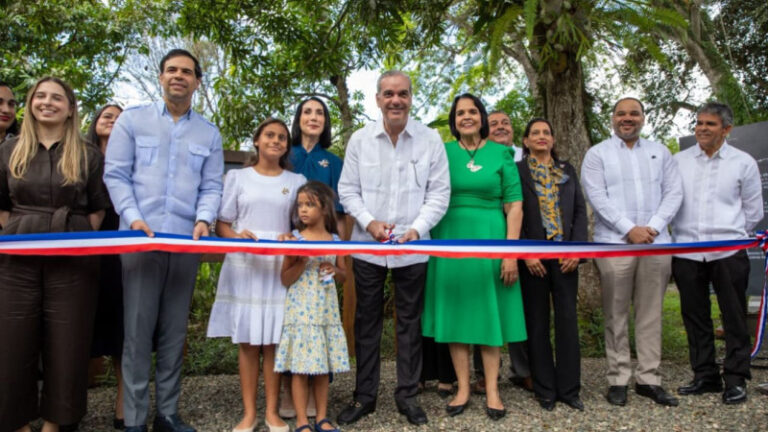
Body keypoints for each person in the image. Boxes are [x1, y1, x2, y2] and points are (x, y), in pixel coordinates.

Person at [104, 49, 224, 432]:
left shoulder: (209, 133)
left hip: (186, 242)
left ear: (197, 81)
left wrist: (204, 219)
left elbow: (212, 186)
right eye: (172, 69)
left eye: (187, 71)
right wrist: (132, 217)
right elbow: (116, 174)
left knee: (174, 333)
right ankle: (135, 419)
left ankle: (168, 414)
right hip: (139, 240)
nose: (178, 76)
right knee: (137, 333)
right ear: (160, 77)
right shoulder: (132, 121)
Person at [337, 70, 450, 426]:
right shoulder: (360, 140)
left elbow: (439, 193)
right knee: (366, 321)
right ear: (378, 99)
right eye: (388, 94)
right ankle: (364, 396)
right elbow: (347, 190)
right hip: (367, 246)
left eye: (402, 93)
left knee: (410, 322)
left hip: (412, 246)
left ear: (411, 98)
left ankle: (408, 396)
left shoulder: (430, 140)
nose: (395, 100)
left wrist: (418, 228)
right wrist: (369, 222)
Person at [0, 76, 109, 432]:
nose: (47, 102)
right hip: (17, 257)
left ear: (70, 108)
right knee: (13, 339)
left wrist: (74, 236)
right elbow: (2, 206)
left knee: (68, 340)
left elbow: (97, 209)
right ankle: (15, 422)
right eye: (40, 96)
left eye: (57, 98)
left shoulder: (88, 154)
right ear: (31, 103)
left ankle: (56, 422)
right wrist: (24, 229)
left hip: (73, 256)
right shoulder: (9, 150)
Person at [421, 93, 525, 421]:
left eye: (472, 111)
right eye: (460, 113)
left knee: (487, 314)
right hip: (449, 239)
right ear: (454, 120)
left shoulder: (502, 153)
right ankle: (463, 388)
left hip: (491, 239)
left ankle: (492, 389)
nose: (467, 117)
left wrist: (510, 253)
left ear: (481, 117)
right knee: (457, 314)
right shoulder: (442, 152)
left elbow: (514, 205)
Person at [581, 97, 683, 407]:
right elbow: (597, 196)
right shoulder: (598, 154)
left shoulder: (660, 152)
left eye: (634, 114)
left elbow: (674, 192)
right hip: (614, 244)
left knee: (650, 312)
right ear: (613, 118)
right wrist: (629, 229)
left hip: (656, 243)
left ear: (643, 118)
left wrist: (653, 227)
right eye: (621, 113)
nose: (628, 118)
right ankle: (618, 378)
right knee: (616, 312)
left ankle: (649, 378)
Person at [206, 118, 303, 432]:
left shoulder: (297, 180)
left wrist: (292, 237)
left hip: (279, 267)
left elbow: (302, 224)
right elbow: (222, 223)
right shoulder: (237, 177)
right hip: (245, 263)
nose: (276, 140)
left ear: (286, 146)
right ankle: (249, 414)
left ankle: (272, 413)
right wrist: (236, 237)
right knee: (248, 342)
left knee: (273, 340)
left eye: (282, 137)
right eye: (269, 135)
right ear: (257, 140)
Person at [671, 102, 763, 405]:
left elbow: (753, 210)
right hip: (686, 251)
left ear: (726, 129)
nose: (702, 129)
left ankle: (736, 379)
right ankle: (705, 375)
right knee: (694, 315)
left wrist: (729, 233)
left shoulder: (743, 163)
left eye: (710, 124)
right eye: (699, 123)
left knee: (734, 316)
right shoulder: (679, 161)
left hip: (728, 252)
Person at [517, 118, 587, 411]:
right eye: (535, 133)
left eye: (546, 132)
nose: (541, 136)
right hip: (533, 259)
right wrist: (526, 253)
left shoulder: (567, 170)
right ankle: (545, 389)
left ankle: (570, 390)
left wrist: (577, 251)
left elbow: (580, 211)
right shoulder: (517, 171)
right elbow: (512, 212)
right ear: (526, 141)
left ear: (553, 139)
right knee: (537, 323)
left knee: (567, 322)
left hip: (565, 257)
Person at [281, 96, 345, 419]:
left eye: (320, 113)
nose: (314, 117)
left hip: (323, 246)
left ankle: (318, 402)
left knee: (320, 327)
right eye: (307, 111)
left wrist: (340, 251)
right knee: (286, 328)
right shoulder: (286, 154)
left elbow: (341, 213)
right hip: (287, 245)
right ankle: (288, 392)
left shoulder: (332, 162)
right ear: (298, 119)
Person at [276, 181, 350, 432]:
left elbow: (345, 276)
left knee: (322, 368)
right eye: (300, 205)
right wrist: (301, 261)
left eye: (310, 204)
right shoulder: (295, 240)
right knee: (300, 368)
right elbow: (285, 278)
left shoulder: (336, 240)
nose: (303, 210)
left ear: (325, 208)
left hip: (325, 311)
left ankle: (321, 418)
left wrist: (334, 270)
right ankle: (301, 421)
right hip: (301, 312)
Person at [473, 109, 531, 395]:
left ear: (513, 129)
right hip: (490, 237)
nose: (500, 127)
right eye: (493, 123)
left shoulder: (526, 158)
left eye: (505, 123)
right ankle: (484, 374)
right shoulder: (479, 157)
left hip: (525, 242)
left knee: (519, 311)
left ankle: (524, 371)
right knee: (483, 305)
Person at [86, 103, 127, 430]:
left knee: (120, 324)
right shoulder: (79, 156)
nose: (113, 121)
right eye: (107, 116)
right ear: (95, 122)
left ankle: (124, 401)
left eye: (119, 118)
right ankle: (70, 403)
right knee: (82, 323)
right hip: (83, 245)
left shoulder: (132, 160)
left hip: (122, 243)